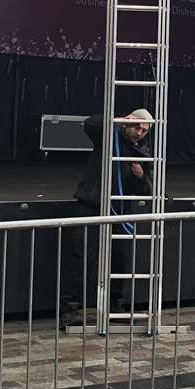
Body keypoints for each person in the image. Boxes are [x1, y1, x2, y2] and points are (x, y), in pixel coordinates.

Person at [65, 110, 154, 328]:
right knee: (80, 258)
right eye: (137, 127)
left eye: (144, 130)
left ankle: (116, 307)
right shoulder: (108, 134)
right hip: (91, 205)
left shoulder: (142, 153)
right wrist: (118, 119)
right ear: (129, 122)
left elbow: (147, 190)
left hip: (120, 210)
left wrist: (140, 176)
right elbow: (89, 123)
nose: (139, 133)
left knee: (120, 260)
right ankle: (70, 311)